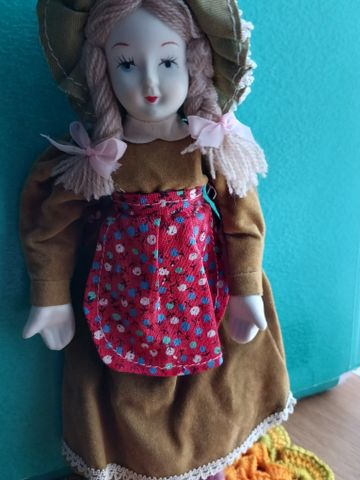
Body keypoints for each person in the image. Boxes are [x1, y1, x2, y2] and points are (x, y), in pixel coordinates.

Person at [20, 1, 295, 479]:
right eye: (127, 64)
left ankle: (210, 459)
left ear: (193, 61)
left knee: (214, 389)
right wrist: (51, 295)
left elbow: (242, 216)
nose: (150, 83)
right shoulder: (99, 156)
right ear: (102, 70)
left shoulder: (207, 143)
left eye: (167, 61)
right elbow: (55, 225)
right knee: (124, 391)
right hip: (123, 299)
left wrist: (246, 287)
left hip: (204, 291)